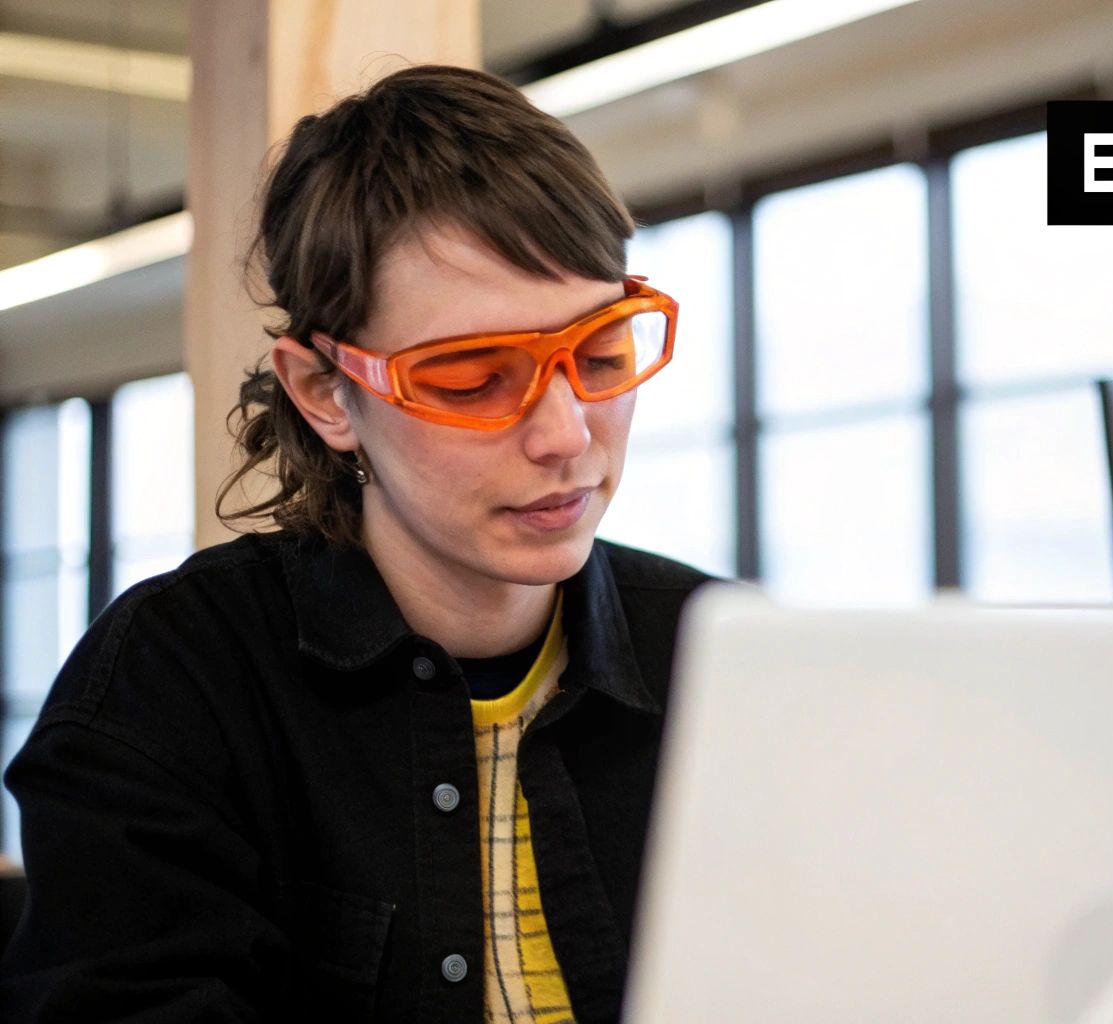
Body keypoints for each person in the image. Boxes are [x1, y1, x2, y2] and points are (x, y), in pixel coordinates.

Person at [0, 64, 716, 1023]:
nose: (566, 435)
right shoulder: (173, 686)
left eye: (601, 355)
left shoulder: (722, 660)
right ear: (327, 394)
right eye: (471, 377)